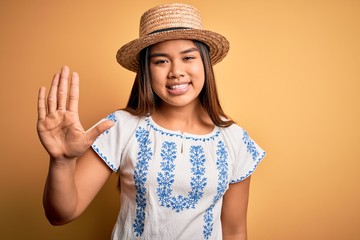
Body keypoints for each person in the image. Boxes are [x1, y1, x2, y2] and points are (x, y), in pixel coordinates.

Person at [37, 3, 265, 240]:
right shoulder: (121, 127)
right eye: (161, 61)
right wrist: (61, 162)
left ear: (205, 63)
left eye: (188, 57)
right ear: (146, 70)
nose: (176, 71)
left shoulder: (235, 139)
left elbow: (235, 231)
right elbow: (60, 214)